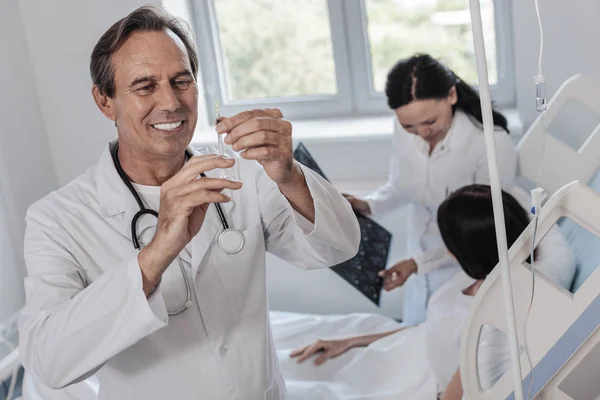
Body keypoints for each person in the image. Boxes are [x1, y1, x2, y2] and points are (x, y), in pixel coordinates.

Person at [17, 6, 360, 400]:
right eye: (145, 86)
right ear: (105, 101)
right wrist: (157, 252)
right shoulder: (57, 219)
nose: (170, 102)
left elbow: (339, 247)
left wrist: (288, 173)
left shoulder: (243, 175)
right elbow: (49, 361)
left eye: (181, 81)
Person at [289, 185, 575, 399]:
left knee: (296, 387)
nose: (444, 248)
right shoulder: (481, 272)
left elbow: (457, 389)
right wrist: (353, 341)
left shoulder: (493, 317)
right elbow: (430, 331)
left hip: (413, 383)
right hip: (401, 346)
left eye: (446, 241)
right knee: (293, 355)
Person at [345, 54, 518, 326]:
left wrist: (418, 263)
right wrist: (367, 205)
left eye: (429, 122)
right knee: (416, 336)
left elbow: (484, 230)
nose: (421, 132)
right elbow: (404, 185)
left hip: (466, 265)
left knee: (447, 341)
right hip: (419, 258)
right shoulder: (407, 131)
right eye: (408, 126)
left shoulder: (489, 143)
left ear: (451, 95)